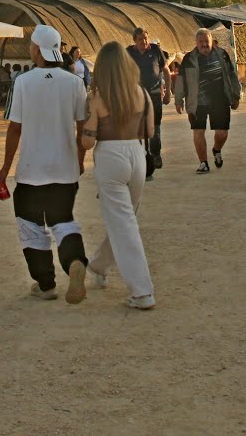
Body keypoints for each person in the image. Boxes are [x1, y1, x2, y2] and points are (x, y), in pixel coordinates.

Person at [0, 25, 90, 304]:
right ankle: (74, 263)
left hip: (31, 172)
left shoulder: (23, 81)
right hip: (65, 170)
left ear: (36, 49)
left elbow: (15, 128)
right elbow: (83, 127)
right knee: (63, 221)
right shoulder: (74, 83)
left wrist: (5, 167)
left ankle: (46, 285)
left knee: (30, 226)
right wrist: (80, 161)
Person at [81, 42, 156, 310]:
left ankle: (142, 291)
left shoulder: (97, 98)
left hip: (110, 156)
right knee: (124, 219)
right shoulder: (142, 93)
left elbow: (88, 143)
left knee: (123, 224)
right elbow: (149, 131)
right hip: (136, 155)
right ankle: (98, 266)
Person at [174, 28, 240, 175]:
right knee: (198, 132)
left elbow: (232, 74)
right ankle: (203, 163)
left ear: (211, 41)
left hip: (220, 100)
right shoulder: (189, 58)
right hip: (197, 102)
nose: (204, 44)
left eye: (207, 41)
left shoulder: (222, 54)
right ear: (196, 43)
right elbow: (180, 80)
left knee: (222, 133)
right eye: (201, 42)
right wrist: (178, 100)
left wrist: (236, 95)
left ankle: (216, 149)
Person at [127, 28, 171, 172]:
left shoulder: (156, 50)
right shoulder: (128, 53)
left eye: (145, 38)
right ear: (135, 40)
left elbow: (165, 71)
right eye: (140, 39)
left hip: (154, 94)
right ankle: (139, 156)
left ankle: (156, 154)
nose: (144, 41)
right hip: (136, 96)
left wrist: (168, 92)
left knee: (155, 127)